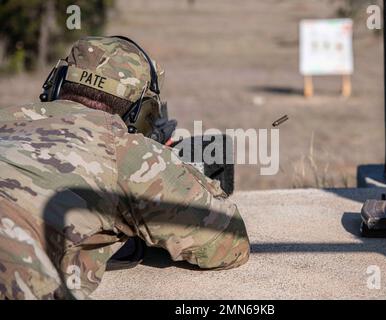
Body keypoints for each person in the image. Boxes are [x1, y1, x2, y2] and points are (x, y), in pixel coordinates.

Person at [0, 36, 250, 300]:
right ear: (144, 113)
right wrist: (174, 168)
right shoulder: (124, 150)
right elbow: (227, 243)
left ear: (57, 83)